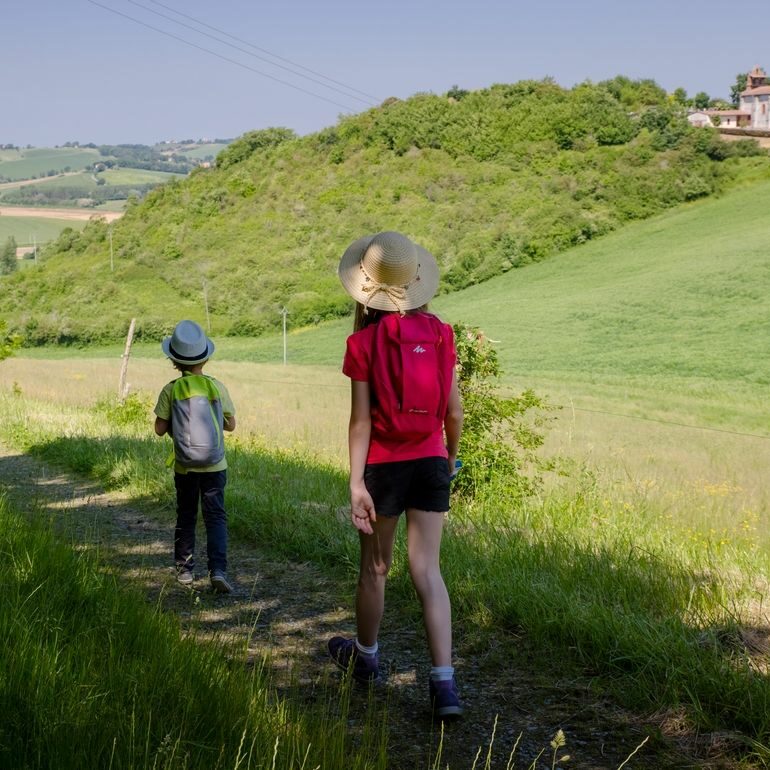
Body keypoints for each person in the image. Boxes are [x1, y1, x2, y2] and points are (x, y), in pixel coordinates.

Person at [327, 231, 464, 718]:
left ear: (365, 288)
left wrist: (356, 482)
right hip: (430, 461)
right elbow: (454, 411)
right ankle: (444, 685)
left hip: (384, 467)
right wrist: (449, 457)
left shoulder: (361, 342)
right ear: (415, 282)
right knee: (428, 571)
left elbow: (360, 420)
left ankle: (365, 662)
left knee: (375, 569)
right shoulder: (443, 335)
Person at [153, 320, 237, 593]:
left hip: (185, 467)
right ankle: (218, 571)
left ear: (174, 362)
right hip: (215, 465)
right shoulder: (217, 387)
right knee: (216, 517)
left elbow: (159, 429)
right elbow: (231, 425)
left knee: (186, 516)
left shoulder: (170, 389)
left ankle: (185, 571)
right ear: (206, 357)